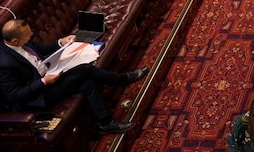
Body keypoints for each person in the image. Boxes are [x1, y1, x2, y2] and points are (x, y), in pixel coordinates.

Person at [0, 19, 148, 135]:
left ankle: (106, 123)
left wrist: (61, 42)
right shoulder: (5, 63)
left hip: (50, 74)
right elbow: (14, 96)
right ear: (15, 41)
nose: (31, 34)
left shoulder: (22, 41)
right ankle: (122, 80)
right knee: (85, 70)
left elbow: (42, 50)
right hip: (39, 95)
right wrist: (44, 82)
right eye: (28, 35)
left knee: (88, 82)